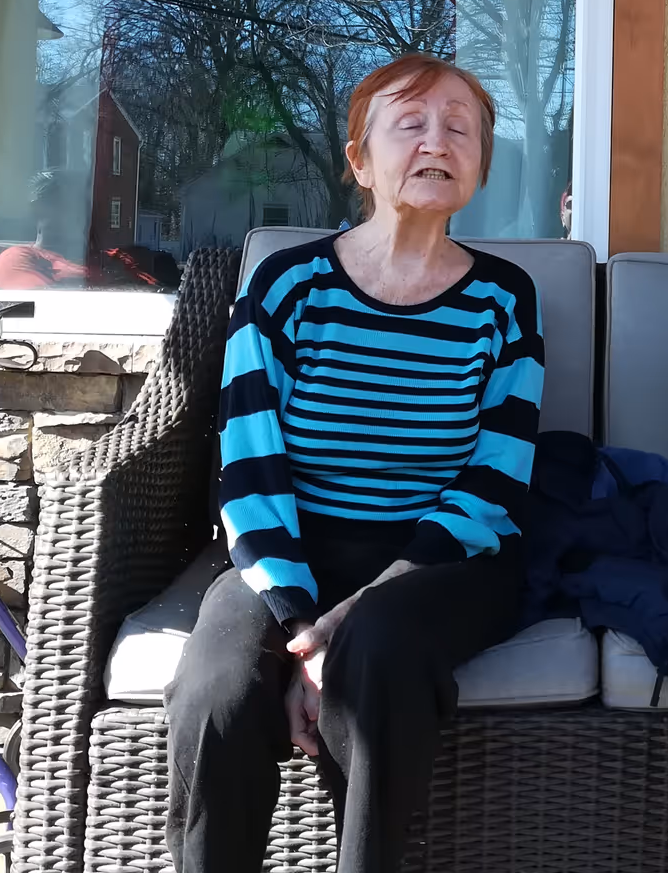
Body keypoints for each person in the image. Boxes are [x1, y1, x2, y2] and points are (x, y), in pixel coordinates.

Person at [165, 54, 545, 873]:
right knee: (217, 688)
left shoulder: (504, 299)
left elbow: (495, 478)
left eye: (460, 127)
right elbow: (249, 466)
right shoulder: (289, 286)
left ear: (481, 164)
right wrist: (299, 623)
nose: (438, 141)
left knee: (377, 649)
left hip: (444, 559)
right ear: (359, 162)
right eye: (411, 124)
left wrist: (350, 617)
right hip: (293, 545)